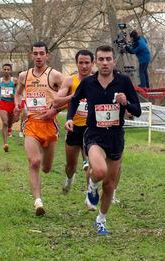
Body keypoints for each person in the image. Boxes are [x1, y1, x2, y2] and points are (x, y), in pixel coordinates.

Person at [64, 45, 141, 235]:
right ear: (96, 62)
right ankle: (91, 186)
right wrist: (70, 118)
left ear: (114, 61)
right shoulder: (88, 82)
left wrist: (126, 103)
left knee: (109, 185)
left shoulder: (123, 81)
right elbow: (74, 100)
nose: (105, 62)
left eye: (108, 59)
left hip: (115, 137)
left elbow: (137, 110)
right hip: (94, 134)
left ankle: (101, 220)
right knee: (99, 170)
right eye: (101, 59)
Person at [14, 41, 65, 216]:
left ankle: (45, 162)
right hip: (31, 124)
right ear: (31, 55)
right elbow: (18, 93)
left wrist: (55, 110)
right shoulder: (24, 75)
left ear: (47, 55)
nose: (38, 57)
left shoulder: (55, 76)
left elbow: (70, 95)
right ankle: (38, 201)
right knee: (34, 162)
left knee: (46, 168)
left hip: (50, 126)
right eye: (35, 53)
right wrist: (19, 105)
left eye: (41, 53)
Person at [54, 50, 94, 204]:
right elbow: (57, 102)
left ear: (92, 63)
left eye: (87, 63)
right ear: (76, 63)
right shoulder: (70, 81)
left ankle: (89, 196)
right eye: (81, 63)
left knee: (91, 163)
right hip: (73, 127)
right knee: (71, 165)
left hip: (91, 128)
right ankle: (69, 179)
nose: (84, 66)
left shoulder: (97, 82)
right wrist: (76, 95)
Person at [0, 64, 18, 152]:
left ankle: (9, 128)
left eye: (8, 69)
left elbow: (18, 91)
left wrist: (14, 96)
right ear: (2, 70)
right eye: (5, 69)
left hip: (12, 103)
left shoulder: (14, 80)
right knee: (5, 122)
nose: (6, 71)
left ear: (11, 70)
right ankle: (5, 144)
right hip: (3, 103)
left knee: (10, 122)